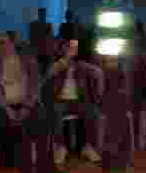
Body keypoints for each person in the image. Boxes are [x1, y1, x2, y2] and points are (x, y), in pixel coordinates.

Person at [0, 33, 53, 173]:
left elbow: (35, 86)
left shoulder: (28, 59)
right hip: (5, 105)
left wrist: (27, 106)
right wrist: (7, 109)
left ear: (12, 44)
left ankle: (44, 165)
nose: (0, 47)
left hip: (27, 102)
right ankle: (15, 164)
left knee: (41, 116)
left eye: (3, 43)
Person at [43, 38, 105, 166]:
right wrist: (63, 63)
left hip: (78, 101)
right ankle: (61, 147)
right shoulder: (57, 63)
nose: (73, 50)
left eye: (76, 48)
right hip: (60, 101)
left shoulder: (81, 65)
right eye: (71, 47)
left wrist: (97, 95)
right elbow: (48, 74)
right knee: (56, 111)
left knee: (93, 111)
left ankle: (87, 147)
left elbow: (99, 73)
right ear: (64, 49)